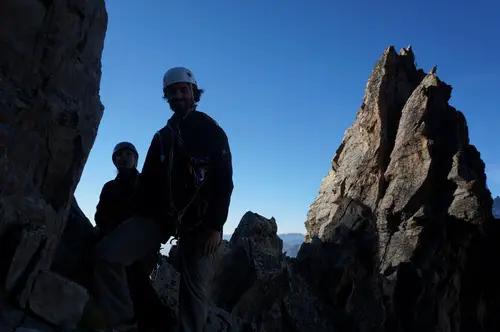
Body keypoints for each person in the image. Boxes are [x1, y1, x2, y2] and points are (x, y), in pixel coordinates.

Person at [89, 67, 234, 332]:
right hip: (160, 218)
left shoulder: (210, 131)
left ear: (193, 93)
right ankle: (123, 323)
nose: (178, 96)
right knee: (107, 255)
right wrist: (129, 224)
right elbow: (147, 184)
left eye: (183, 90)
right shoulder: (162, 137)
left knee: (194, 292)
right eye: (172, 92)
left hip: (201, 224)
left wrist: (215, 226)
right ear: (166, 97)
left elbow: (224, 181)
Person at [92, 142, 174, 332]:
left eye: (128, 154)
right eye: (119, 155)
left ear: (136, 159)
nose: (123, 157)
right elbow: (100, 215)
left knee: (137, 280)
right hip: (117, 239)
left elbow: (151, 214)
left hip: (140, 245)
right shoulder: (109, 187)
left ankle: (147, 323)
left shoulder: (145, 182)